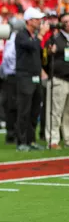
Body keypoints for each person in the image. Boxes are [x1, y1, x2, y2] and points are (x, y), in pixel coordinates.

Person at [14, 8, 49, 151]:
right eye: (36, 19)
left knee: (35, 110)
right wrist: (41, 35)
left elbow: (36, 54)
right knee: (24, 110)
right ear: (29, 21)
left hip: (35, 77)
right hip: (25, 77)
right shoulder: (21, 35)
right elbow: (32, 46)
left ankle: (31, 140)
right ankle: (21, 142)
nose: (40, 22)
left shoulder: (33, 36)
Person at [45, 13, 69, 149]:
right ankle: (53, 139)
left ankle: (67, 138)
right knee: (55, 112)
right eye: (65, 21)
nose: (68, 24)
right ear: (60, 24)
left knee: (68, 113)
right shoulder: (54, 39)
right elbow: (45, 59)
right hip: (59, 78)